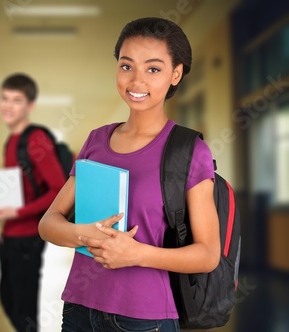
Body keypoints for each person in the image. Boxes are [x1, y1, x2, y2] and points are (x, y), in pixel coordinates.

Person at [38, 17, 221, 332]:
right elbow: (48, 223)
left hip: (144, 318)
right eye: (126, 66)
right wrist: (87, 234)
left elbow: (207, 254)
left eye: (153, 69)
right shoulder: (96, 140)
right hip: (79, 308)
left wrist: (137, 254)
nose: (136, 81)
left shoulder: (188, 150)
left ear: (175, 74)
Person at [0, 73, 66, 331]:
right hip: (9, 236)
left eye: (16, 100)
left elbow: (58, 190)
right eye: (4, 98)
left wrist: (18, 212)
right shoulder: (11, 141)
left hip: (27, 239)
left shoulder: (36, 140)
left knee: (23, 313)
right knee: (8, 299)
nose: (8, 106)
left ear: (30, 106)